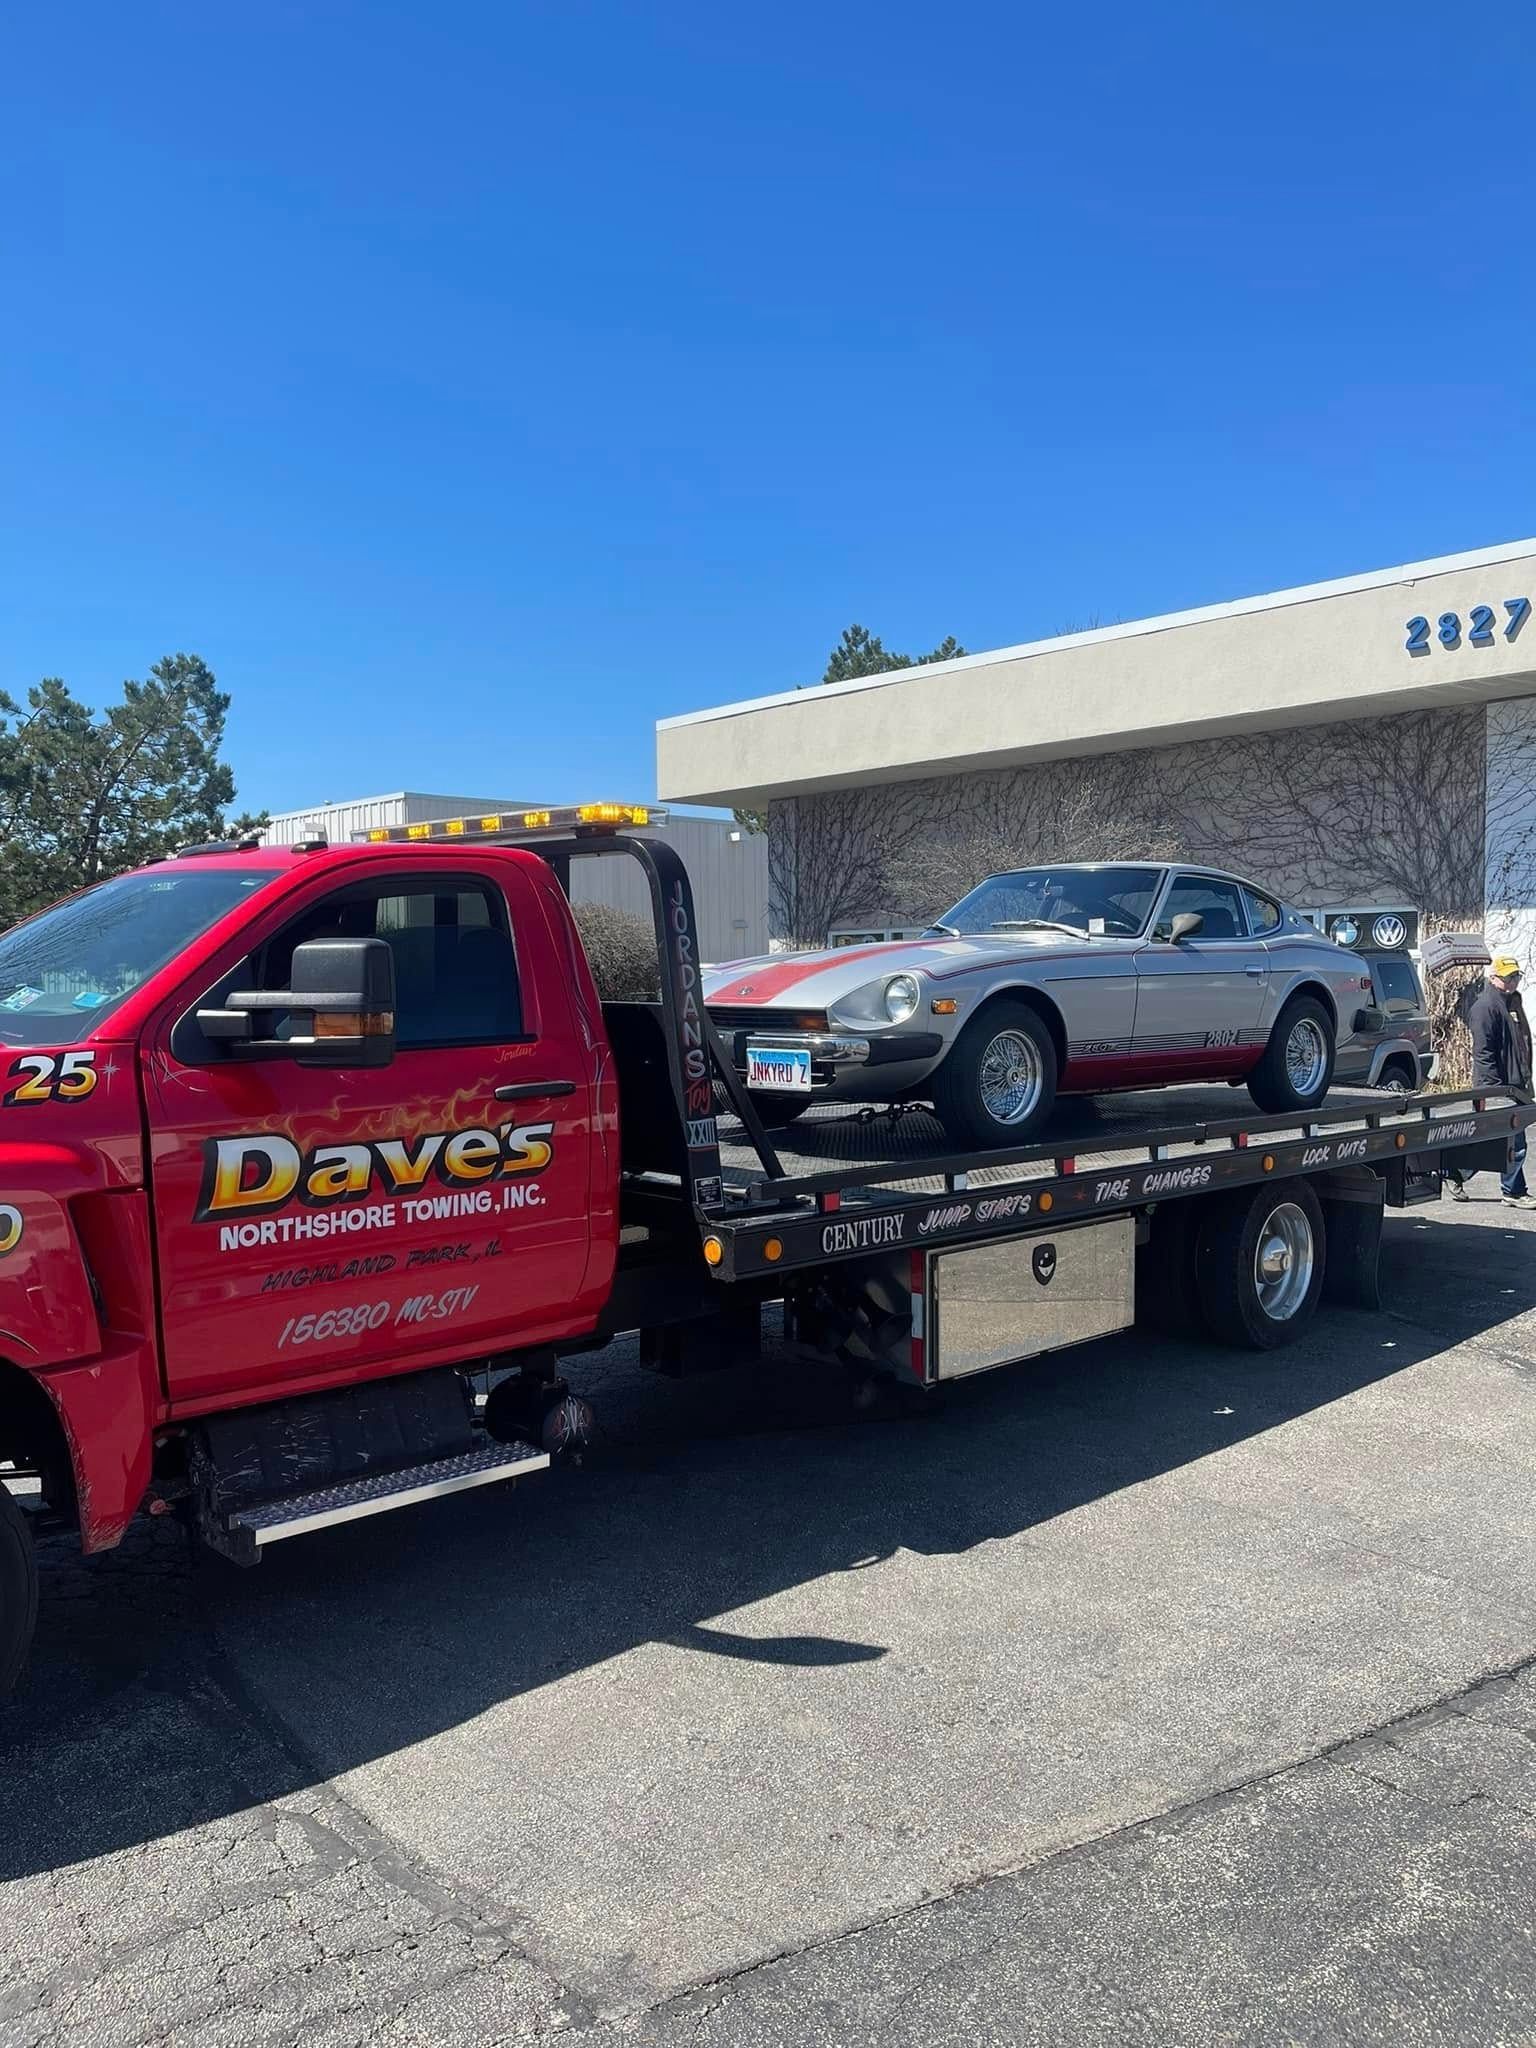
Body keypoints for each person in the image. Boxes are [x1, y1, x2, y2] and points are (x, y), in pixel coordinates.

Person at [1469, 953, 1533, 1208]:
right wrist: (1494, 1090)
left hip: (1516, 1084)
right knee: (1515, 1139)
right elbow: (1482, 1053)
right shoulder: (1484, 1007)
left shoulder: (1512, 1003)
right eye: (1508, 977)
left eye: (1516, 976)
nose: (1513, 980)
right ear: (1493, 978)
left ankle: (1454, 1173)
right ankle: (1514, 1192)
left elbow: (1520, 1044)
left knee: (1490, 1139)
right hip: (1497, 1087)